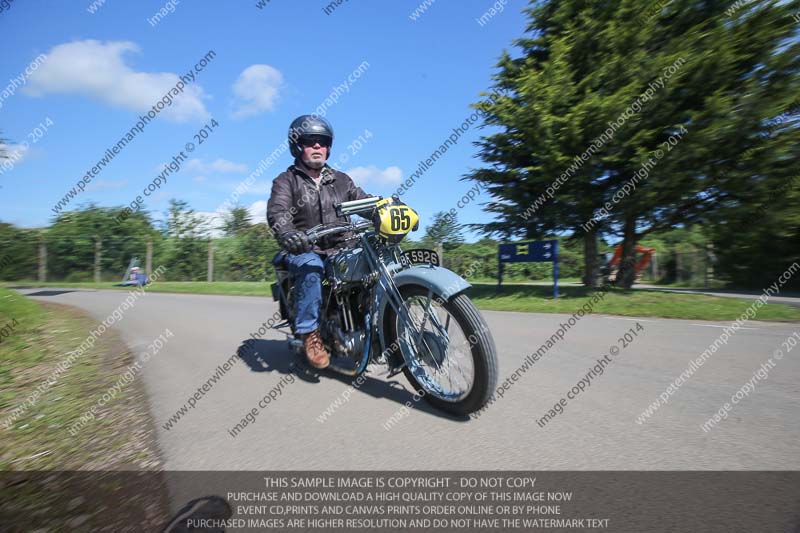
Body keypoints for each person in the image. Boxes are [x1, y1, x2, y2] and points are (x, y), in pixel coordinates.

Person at [266, 115, 372, 369]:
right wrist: (289, 233)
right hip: (305, 248)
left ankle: (368, 326)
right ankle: (310, 333)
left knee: (371, 266)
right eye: (309, 141)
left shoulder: (342, 179)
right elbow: (277, 213)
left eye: (322, 142)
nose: (317, 147)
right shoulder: (286, 180)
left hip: (341, 247)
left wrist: (383, 208)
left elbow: (364, 201)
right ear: (296, 145)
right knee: (311, 267)